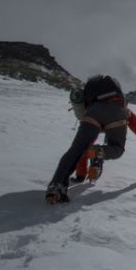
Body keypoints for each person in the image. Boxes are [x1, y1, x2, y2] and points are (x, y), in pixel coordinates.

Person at [46, 74, 129, 204]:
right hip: (116, 112)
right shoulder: (119, 98)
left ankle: (56, 185)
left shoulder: (93, 93)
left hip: (92, 111)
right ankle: (98, 151)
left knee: (76, 149)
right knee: (117, 148)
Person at [68, 89, 136, 184]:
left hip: (93, 118)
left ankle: (81, 175)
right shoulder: (122, 109)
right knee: (117, 149)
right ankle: (99, 152)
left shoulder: (92, 107)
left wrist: (81, 174)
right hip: (116, 122)